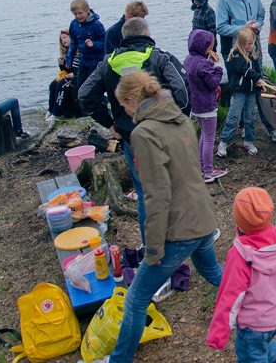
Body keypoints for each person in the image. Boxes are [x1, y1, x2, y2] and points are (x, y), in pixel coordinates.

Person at [87, 70, 222, 363]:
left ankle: (118, 360)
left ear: (132, 99)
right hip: (202, 217)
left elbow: (156, 196)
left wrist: (154, 248)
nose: (123, 111)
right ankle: (256, 293)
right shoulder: (181, 120)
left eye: (122, 104)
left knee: (135, 299)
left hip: (179, 229)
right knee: (212, 272)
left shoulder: (144, 134)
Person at [79, 17, 190, 245]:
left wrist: (109, 123)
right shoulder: (159, 57)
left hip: (131, 137)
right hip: (162, 135)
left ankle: (151, 245)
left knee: (144, 194)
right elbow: (182, 91)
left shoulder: (109, 63)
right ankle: (179, 238)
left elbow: (85, 95)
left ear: (124, 38)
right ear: (147, 34)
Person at [207, 187, 276, 363]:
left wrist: (218, 334)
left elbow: (230, 296)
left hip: (254, 324)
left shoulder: (239, 255)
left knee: (252, 354)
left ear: (238, 220)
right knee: (266, 343)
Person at [216, 0, 276, 143]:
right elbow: (220, 27)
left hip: (252, 49)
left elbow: (261, 14)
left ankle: (270, 127)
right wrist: (243, 28)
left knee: (259, 85)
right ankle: (243, 126)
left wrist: (257, 25)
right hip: (233, 52)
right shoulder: (224, 0)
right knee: (239, 89)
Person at [184, 29, 227, 183]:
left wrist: (209, 63)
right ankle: (208, 171)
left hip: (196, 105)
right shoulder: (202, 63)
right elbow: (213, 82)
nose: (211, 48)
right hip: (207, 105)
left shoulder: (189, 59)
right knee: (209, 139)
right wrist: (218, 67)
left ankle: (201, 166)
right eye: (209, 45)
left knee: (204, 135)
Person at [217, 29, 266, 158]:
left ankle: (249, 141)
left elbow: (257, 71)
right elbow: (243, 69)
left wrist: (260, 84)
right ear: (241, 42)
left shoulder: (253, 56)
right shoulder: (236, 55)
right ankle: (224, 142)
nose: (250, 46)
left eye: (251, 43)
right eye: (247, 44)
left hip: (251, 91)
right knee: (234, 116)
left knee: (251, 117)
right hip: (239, 90)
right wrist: (256, 78)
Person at [66, 0, 106, 88]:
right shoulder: (74, 24)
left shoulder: (96, 24)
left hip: (96, 61)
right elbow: (73, 43)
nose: (78, 16)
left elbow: (104, 43)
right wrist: (69, 60)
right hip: (83, 60)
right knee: (81, 87)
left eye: (80, 13)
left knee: (92, 88)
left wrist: (93, 44)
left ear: (87, 11)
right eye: (75, 14)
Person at [47, 30, 81, 120]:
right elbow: (68, 69)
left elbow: (84, 67)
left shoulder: (79, 50)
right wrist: (62, 65)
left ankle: (57, 113)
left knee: (61, 85)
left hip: (78, 75)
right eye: (61, 39)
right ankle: (51, 110)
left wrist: (74, 74)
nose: (63, 40)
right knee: (53, 84)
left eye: (65, 38)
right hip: (70, 74)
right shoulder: (67, 52)